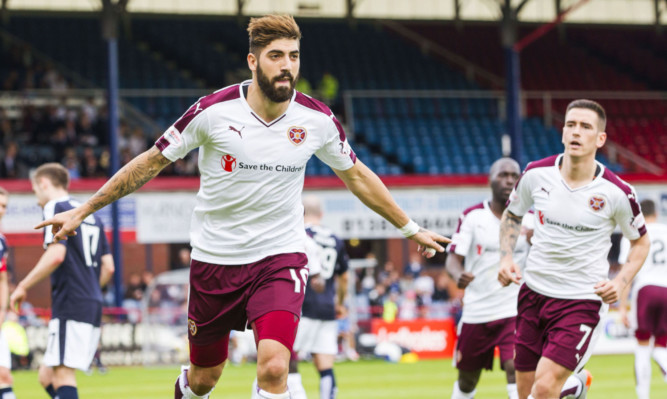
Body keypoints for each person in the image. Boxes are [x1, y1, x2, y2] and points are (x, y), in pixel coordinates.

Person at [34, 15, 449, 399]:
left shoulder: (318, 120)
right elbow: (150, 162)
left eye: (293, 56)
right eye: (275, 57)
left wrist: (410, 228)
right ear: (253, 61)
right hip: (216, 260)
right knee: (204, 378)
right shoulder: (212, 112)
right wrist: (84, 209)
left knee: (273, 368)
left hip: (280, 257)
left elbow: (358, 175)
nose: (287, 66)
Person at [498, 99, 651, 399]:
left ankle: (569, 385)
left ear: (600, 138)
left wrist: (620, 282)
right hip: (533, 294)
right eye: (571, 125)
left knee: (543, 390)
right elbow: (513, 214)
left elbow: (641, 242)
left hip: (581, 301)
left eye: (585, 127)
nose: (576, 132)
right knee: (523, 392)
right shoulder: (535, 174)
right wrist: (505, 257)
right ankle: (572, 387)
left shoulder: (618, 193)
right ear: (563, 132)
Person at [9, 163, 115, 399]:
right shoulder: (91, 214)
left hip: (72, 301)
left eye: (35, 189)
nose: (36, 198)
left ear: (43, 183)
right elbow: (109, 266)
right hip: (92, 302)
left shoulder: (56, 207)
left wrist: (23, 286)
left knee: (63, 375)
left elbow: (57, 254)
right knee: (46, 376)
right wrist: (89, 289)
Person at [445, 157, 528, 399]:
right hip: (477, 310)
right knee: (467, 381)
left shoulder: (531, 219)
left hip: (514, 310)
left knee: (515, 367)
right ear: (490, 179)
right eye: (503, 175)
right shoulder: (472, 216)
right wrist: (458, 275)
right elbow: (452, 259)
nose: (509, 180)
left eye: (514, 176)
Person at [288, 195, 350, 399]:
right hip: (328, 307)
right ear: (322, 214)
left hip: (302, 305)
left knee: (288, 356)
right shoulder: (335, 239)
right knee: (325, 365)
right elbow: (344, 278)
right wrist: (339, 303)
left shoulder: (299, 235)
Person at [618, 199, 667, 399]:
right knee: (662, 344)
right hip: (666, 290)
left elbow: (626, 274)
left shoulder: (633, 234)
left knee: (642, 346)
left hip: (645, 290)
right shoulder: (665, 231)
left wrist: (622, 307)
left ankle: (643, 396)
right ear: (656, 213)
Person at [0, 187, 17, 399]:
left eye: (3, 206)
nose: (0, 210)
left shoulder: (1, 242)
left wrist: (2, 310)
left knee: (4, 376)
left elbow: (2, 279)